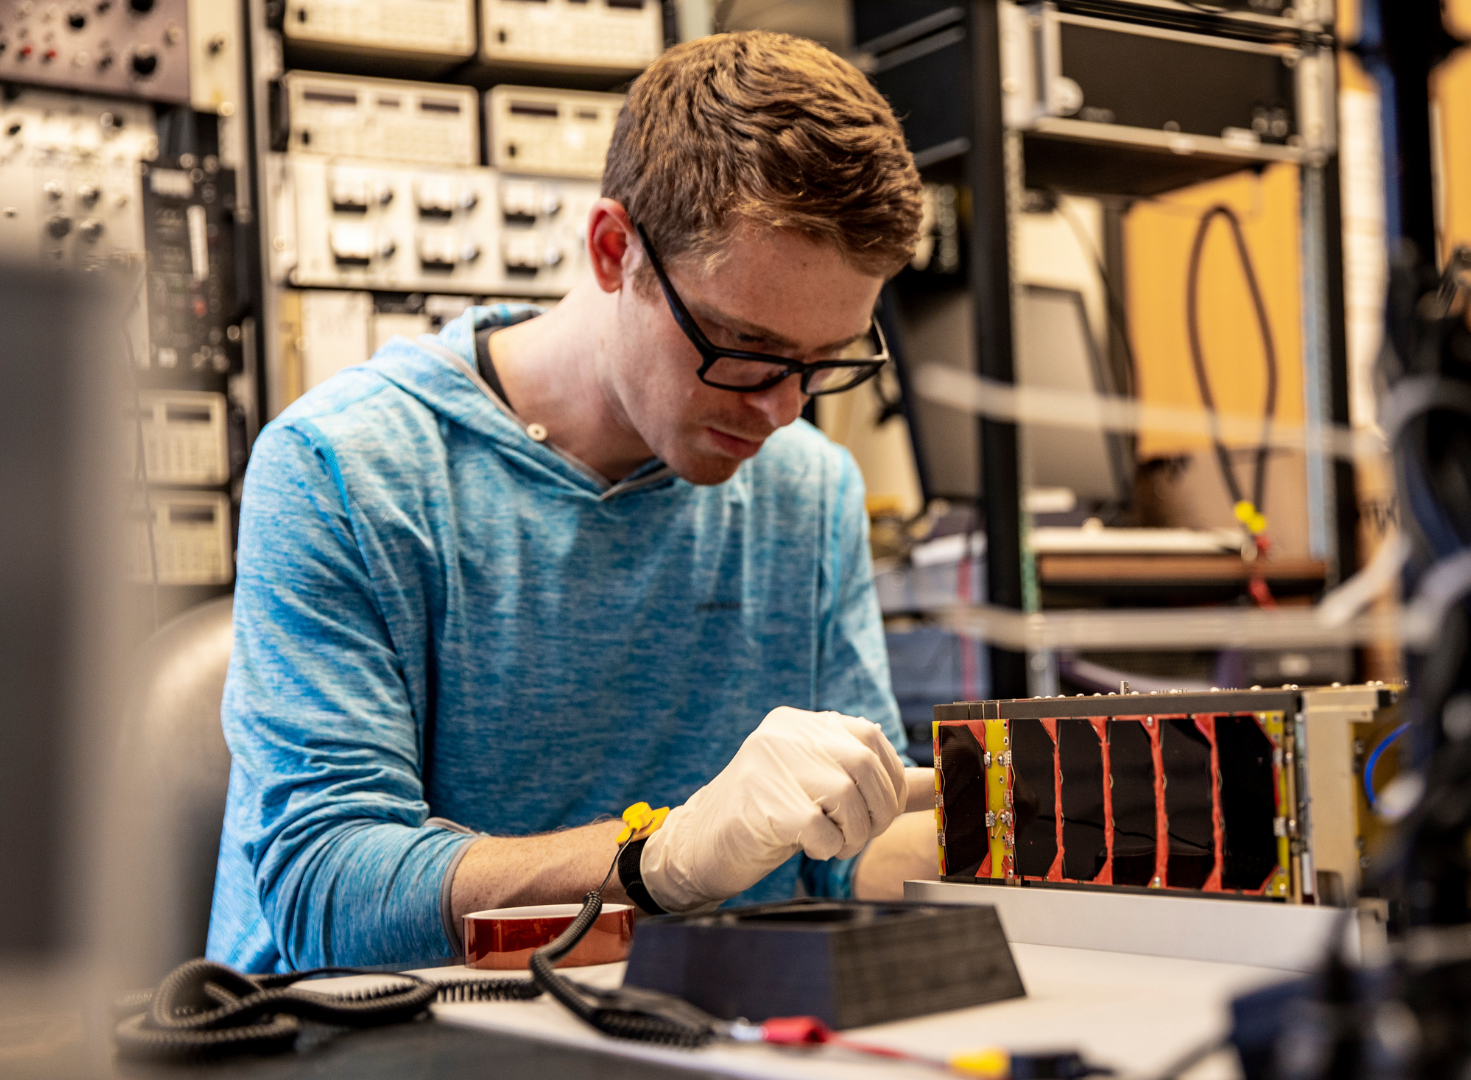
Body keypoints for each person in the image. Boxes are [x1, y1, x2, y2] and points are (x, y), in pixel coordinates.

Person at [207, 31, 938, 973]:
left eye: (825, 361)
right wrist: (664, 856)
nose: (784, 407)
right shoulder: (341, 471)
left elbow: (847, 856)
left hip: (678, 1024)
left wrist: (1065, 836)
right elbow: (329, 892)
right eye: (746, 349)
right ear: (612, 250)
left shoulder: (808, 488)